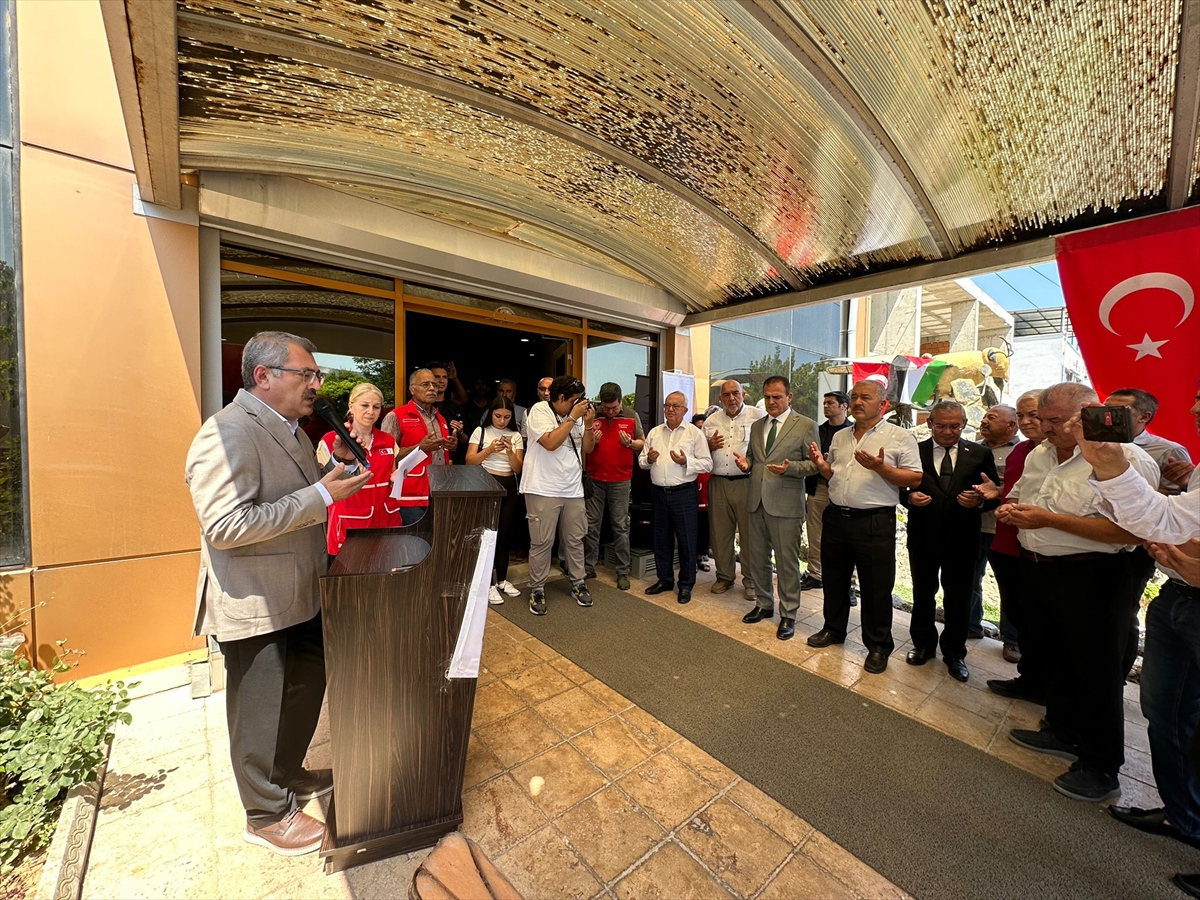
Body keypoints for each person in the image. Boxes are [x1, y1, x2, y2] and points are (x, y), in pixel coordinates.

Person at [185, 331, 371, 855]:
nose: (317, 383)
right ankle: (264, 813)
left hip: (302, 591)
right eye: (306, 374)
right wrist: (319, 495)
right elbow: (225, 525)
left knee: (304, 692)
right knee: (261, 707)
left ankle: (288, 774)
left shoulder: (290, 430)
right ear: (263, 377)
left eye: (316, 374)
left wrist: (330, 481)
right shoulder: (226, 433)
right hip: (256, 597)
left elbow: (297, 499)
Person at [997, 382, 1159, 802]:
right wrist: (1010, 510)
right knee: (1054, 656)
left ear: (1085, 414)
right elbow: (1020, 497)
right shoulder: (1039, 454)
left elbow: (1132, 530)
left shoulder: (1126, 461)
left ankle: (1102, 765)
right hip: (1039, 570)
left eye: (1054, 421)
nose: (1043, 428)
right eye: (1042, 419)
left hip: (1093, 577)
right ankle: (1062, 730)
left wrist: (1048, 520)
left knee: (1096, 670)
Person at [1071, 390, 1200, 894]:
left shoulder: (1164, 454)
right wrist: (1108, 465)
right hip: (1179, 597)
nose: (1191, 411)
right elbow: (1167, 523)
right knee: (1164, 712)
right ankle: (1184, 816)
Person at [807, 380, 922, 674]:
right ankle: (833, 629)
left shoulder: (900, 437)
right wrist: (822, 467)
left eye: (865, 397)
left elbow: (914, 479)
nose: (858, 402)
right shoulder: (840, 436)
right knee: (834, 581)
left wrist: (881, 467)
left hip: (873, 521)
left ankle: (878, 645)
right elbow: (837, 473)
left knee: (876, 587)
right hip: (836, 518)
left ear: (882, 404)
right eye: (854, 396)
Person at [901, 400, 999, 682]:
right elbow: (898, 487)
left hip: (964, 538)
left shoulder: (980, 453)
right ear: (930, 424)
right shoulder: (915, 451)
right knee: (922, 593)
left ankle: (955, 654)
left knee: (959, 598)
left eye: (954, 426)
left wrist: (979, 501)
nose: (947, 431)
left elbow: (993, 494)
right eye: (941, 425)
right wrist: (909, 497)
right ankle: (922, 646)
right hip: (923, 536)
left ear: (964, 424)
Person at [1105, 388, 1196, 677]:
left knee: (1121, 612)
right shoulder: (1095, 442)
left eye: (1119, 412)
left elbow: (1173, 512)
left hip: (1139, 548)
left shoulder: (1167, 451)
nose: (1108, 417)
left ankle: (1115, 675)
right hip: (1101, 542)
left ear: (1144, 417)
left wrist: (1117, 476)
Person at [735, 376, 819, 640]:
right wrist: (746, 465)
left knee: (786, 563)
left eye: (777, 397)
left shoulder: (806, 426)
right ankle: (764, 603)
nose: (771, 402)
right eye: (768, 397)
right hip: (756, 501)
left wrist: (790, 469)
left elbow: (815, 465)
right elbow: (752, 457)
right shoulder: (758, 425)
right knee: (757, 557)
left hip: (786, 505)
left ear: (789, 398)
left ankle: (789, 614)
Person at [521, 375, 597, 614]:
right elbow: (550, 442)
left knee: (575, 539)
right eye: (575, 400)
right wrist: (573, 417)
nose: (580, 404)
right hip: (542, 487)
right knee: (542, 541)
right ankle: (537, 588)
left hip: (573, 488)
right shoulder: (539, 411)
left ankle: (578, 582)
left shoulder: (576, 415)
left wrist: (588, 424)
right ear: (561, 398)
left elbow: (587, 448)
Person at [985, 390, 1046, 678]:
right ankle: (1029, 677)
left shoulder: (1075, 452)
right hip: (1008, 540)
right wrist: (998, 494)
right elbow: (1015, 492)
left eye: (1032, 414)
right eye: (1021, 415)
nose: (1026, 421)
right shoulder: (1021, 452)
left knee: (1042, 617)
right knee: (1017, 607)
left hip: (1046, 550)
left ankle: (1041, 679)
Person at [640, 391, 712, 603]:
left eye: (676, 406)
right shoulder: (654, 432)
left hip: (684, 494)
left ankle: (686, 585)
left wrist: (685, 462)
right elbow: (642, 461)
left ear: (685, 410)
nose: (670, 409)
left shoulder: (694, 434)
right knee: (660, 539)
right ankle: (664, 580)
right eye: (667, 405)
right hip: (659, 494)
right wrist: (649, 459)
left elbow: (707, 464)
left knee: (687, 541)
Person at [316, 382, 402, 556]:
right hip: (350, 523)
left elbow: (392, 475)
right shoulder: (330, 440)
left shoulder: (388, 440)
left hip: (386, 518)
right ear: (351, 406)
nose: (371, 411)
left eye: (376, 407)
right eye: (364, 405)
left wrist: (398, 477)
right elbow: (324, 483)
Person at [703, 379, 765, 600]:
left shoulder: (758, 417)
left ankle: (750, 581)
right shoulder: (710, 421)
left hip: (747, 483)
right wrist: (708, 446)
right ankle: (725, 576)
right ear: (720, 398)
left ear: (743, 394)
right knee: (720, 534)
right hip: (718, 483)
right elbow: (700, 454)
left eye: (735, 393)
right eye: (726, 394)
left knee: (750, 535)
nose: (731, 398)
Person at [584, 382, 645, 590]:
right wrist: (592, 437)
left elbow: (642, 443)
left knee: (620, 527)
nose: (610, 411)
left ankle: (622, 572)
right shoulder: (593, 415)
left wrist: (630, 443)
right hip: (595, 479)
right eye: (607, 407)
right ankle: (588, 566)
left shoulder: (631, 415)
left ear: (620, 402)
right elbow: (584, 443)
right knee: (592, 525)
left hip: (620, 479)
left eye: (614, 407)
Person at [971, 404, 1022, 655]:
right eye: (984, 416)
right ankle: (971, 625)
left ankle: (1012, 639)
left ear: (1011, 425)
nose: (984, 421)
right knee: (969, 577)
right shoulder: (974, 446)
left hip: (1006, 529)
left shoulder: (1022, 452)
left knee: (1010, 586)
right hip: (973, 525)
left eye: (992, 417)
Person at [466, 397, 524, 605]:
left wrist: (509, 451)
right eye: (498, 416)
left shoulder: (515, 435)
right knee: (487, 534)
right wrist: (489, 449)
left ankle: (502, 579)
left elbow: (518, 468)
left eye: (507, 417)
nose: (502, 421)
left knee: (504, 534)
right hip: (487, 482)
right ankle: (487, 583)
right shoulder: (481, 432)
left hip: (508, 485)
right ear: (491, 413)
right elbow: (470, 461)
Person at [387, 369, 454, 525]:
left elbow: (438, 453)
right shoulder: (396, 416)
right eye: (425, 384)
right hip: (409, 496)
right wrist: (420, 447)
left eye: (434, 385)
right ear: (412, 389)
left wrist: (451, 446)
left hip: (437, 493)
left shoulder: (441, 418)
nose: (432, 388)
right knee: (413, 545)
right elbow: (385, 457)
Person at [802, 391, 851, 591]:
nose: (826, 406)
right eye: (824, 403)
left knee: (847, 535)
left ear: (844, 406)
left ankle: (849, 583)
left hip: (844, 489)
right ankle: (815, 574)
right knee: (815, 532)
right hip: (819, 486)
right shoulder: (818, 430)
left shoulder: (853, 432)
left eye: (830, 403)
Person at [692, 413, 713, 573]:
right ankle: (691, 558)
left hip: (709, 492)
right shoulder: (690, 442)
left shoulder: (714, 445)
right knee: (692, 528)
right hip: (693, 491)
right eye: (698, 428)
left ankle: (701, 556)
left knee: (705, 528)